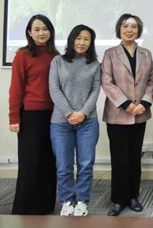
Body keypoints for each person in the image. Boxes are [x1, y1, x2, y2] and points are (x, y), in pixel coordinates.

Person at [101, 14, 153, 216]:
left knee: (134, 157)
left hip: (140, 113)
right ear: (119, 29)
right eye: (125, 26)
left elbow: (151, 81)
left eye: (133, 26)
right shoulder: (110, 54)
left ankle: (133, 196)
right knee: (119, 158)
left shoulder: (146, 54)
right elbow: (107, 82)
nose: (129, 30)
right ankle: (118, 199)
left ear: (138, 30)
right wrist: (126, 104)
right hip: (117, 114)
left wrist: (144, 103)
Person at [8, 14, 60, 215]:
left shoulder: (56, 55)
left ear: (51, 32)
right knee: (30, 163)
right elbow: (16, 88)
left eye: (45, 29)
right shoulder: (22, 55)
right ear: (29, 33)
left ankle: (45, 206)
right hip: (30, 116)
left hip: (54, 115)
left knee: (48, 162)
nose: (41, 33)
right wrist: (14, 117)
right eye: (37, 29)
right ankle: (25, 209)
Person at [48, 24, 101, 217]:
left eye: (86, 39)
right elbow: (54, 89)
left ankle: (82, 201)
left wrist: (83, 113)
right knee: (64, 166)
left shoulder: (95, 64)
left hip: (88, 122)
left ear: (91, 42)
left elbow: (95, 91)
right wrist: (70, 113)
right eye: (78, 38)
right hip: (61, 123)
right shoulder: (58, 61)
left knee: (86, 164)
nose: (82, 42)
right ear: (71, 40)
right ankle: (67, 201)